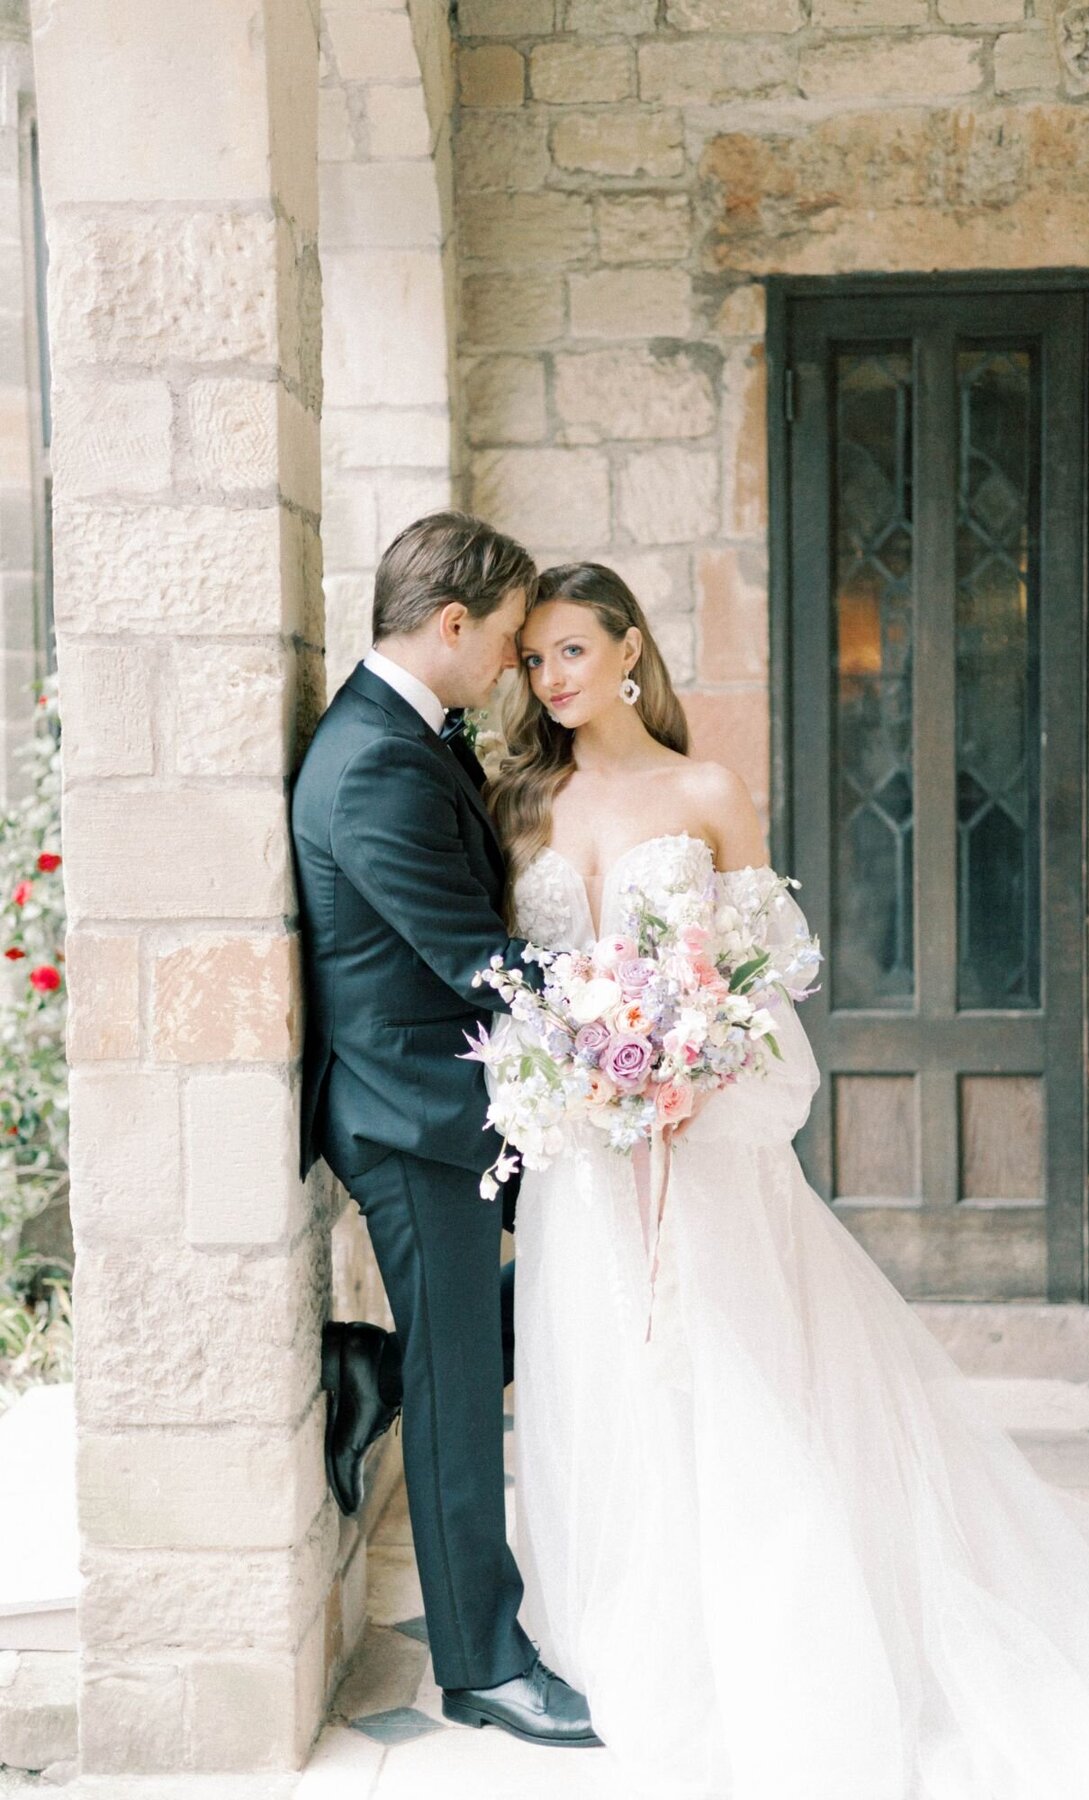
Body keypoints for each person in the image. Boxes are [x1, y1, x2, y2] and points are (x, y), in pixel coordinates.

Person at [487, 560, 1089, 1800]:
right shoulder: (518, 802)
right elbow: (517, 977)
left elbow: (771, 968)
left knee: (732, 1382)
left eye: (572, 653)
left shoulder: (703, 788)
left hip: (700, 1149)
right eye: (535, 659)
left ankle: (766, 1638)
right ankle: (618, 1632)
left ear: (629, 652)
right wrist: (579, 1073)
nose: (553, 680)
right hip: (583, 1165)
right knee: (597, 1381)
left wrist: (693, 1060)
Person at [290, 512, 598, 1748]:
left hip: (450, 1101)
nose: (522, 659)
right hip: (414, 1120)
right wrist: (640, 1009)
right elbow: (471, 957)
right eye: (515, 634)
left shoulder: (405, 737)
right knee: (466, 1394)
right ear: (455, 624)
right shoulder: (370, 760)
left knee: (542, 1312)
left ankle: (376, 1367)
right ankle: (481, 1663)